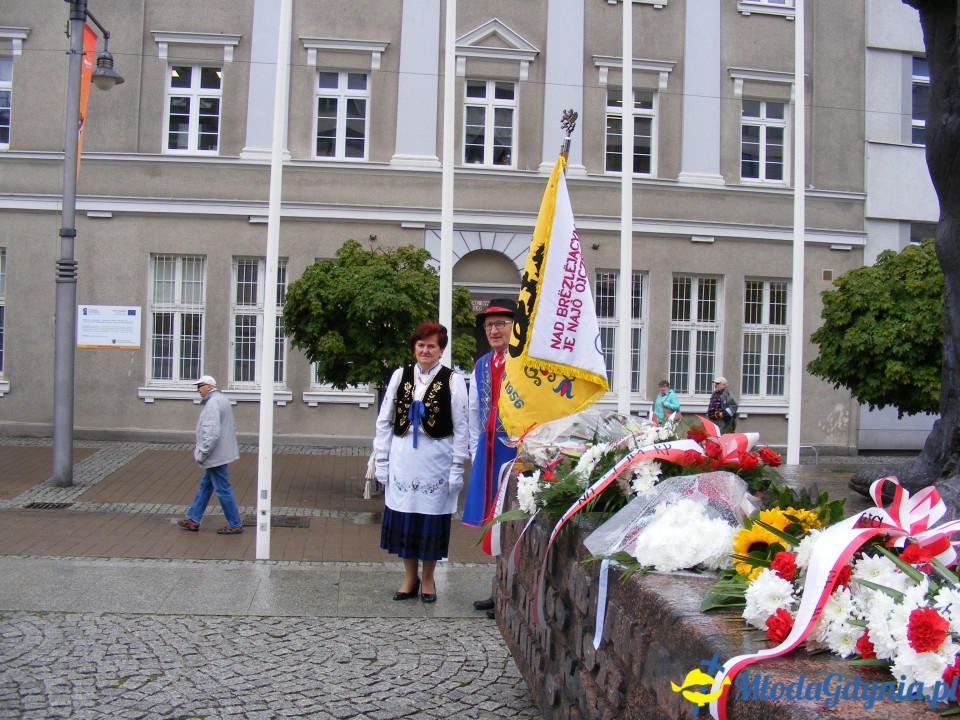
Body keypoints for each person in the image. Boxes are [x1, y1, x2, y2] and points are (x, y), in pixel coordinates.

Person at [374, 321, 469, 604]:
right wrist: (381, 458)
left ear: (441, 350)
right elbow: (384, 419)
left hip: (436, 459)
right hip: (403, 458)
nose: (425, 350)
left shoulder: (452, 380)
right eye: (421, 345)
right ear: (413, 348)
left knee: (430, 519)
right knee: (406, 517)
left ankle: (428, 578)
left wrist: (457, 466)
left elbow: (462, 427)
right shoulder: (400, 376)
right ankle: (409, 577)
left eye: (431, 346)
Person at [463, 299, 519, 619]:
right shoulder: (482, 364)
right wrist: (475, 453)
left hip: (515, 453)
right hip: (489, 452)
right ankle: (499, 589)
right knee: (494, 522)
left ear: (514, 327)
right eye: (489, 325)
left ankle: (510, 593)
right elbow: (474, 412)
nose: (494, 330)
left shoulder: (524, 363)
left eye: (501, 324)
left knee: (512, 520)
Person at [178, 375, 244, 535]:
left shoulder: (212, 404)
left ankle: (235, 523)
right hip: (220, 452)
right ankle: (193, 518)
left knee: (222, 488)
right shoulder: (222, 400)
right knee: (206, 485)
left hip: (215, 454)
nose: (198, 389)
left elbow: (211, 433)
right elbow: (231, 426)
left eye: (200, 386)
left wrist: (202, 453)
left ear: (209, 386)